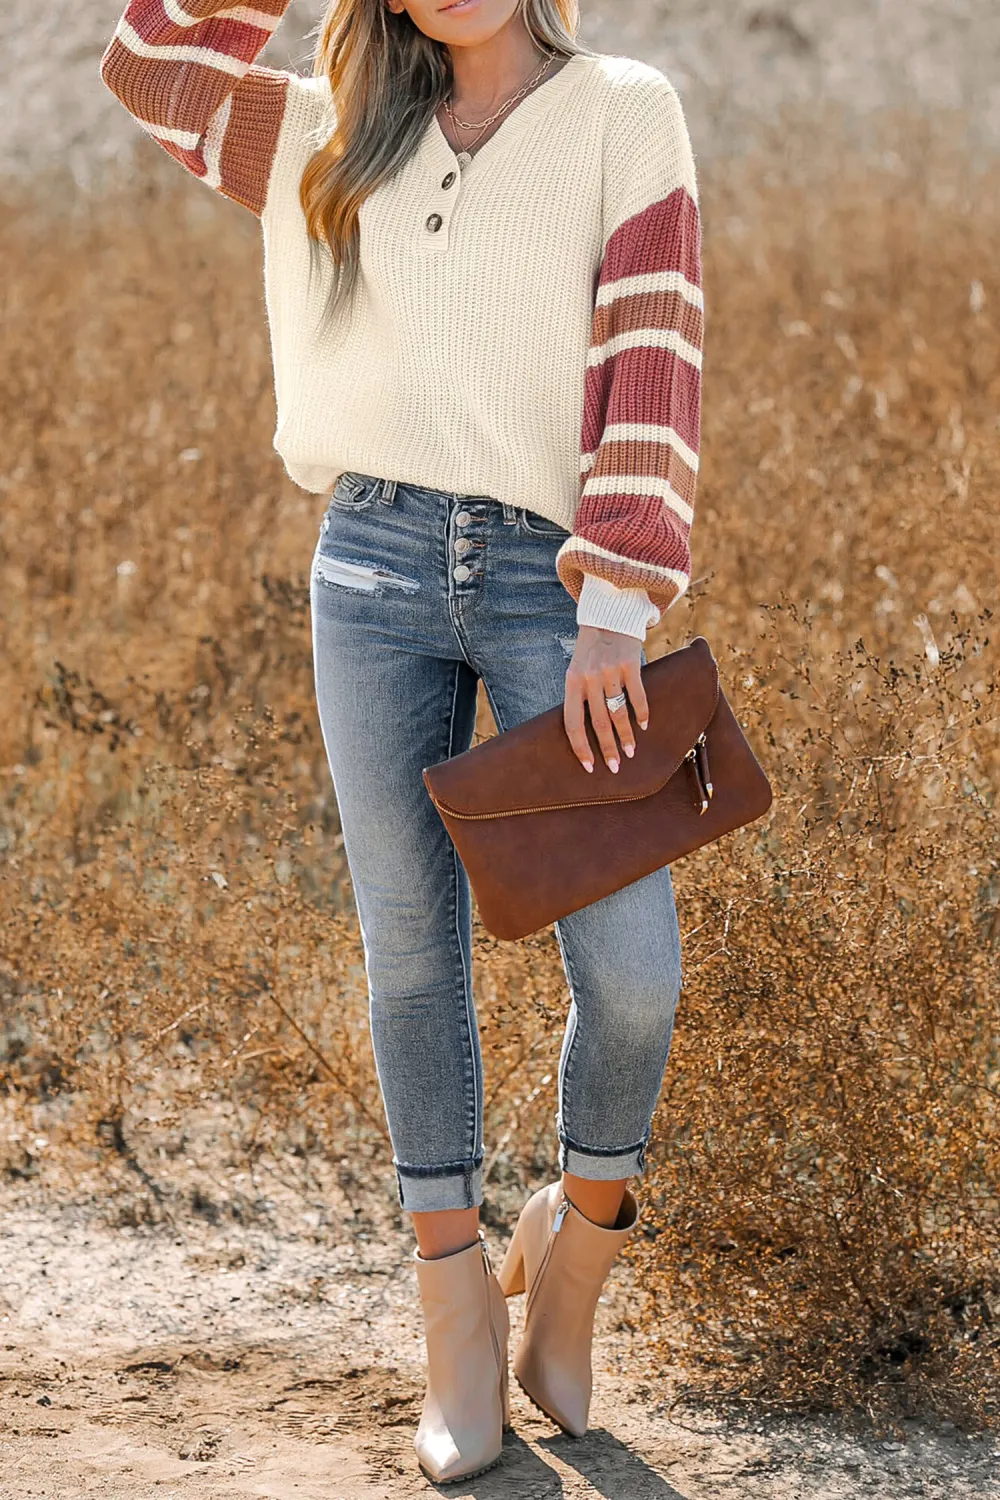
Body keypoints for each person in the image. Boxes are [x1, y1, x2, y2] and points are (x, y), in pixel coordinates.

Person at [99, 0, 703, 1482]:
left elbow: (655, 347)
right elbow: (149, 68)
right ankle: (454, 1323)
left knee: (632, 974)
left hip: (556, 586)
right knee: (410, 955)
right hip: (366, 568)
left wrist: (618, 605)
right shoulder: (326, 126)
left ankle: (572, 1249)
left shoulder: (623, 106)